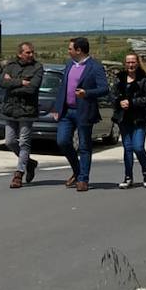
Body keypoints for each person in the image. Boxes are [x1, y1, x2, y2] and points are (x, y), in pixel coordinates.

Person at [49, 37, 110, 193]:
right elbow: (63, 87)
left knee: (84, 146)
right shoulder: (69, 65)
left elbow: (104, 89)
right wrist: (57, 107)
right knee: (62, 141)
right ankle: (77, 171)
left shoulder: (95, 67)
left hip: (84, 111)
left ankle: (83, 179)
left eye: (70, 49)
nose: (68, 51)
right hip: (67, 111)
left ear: (79, 50)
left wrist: (87, 93)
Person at [0, 41, 44, 189]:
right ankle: (29, 162)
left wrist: (12, 84)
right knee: (9, 141)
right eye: (28, 52)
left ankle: (19, 174)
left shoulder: (37, 67)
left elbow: (32, 89)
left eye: (32, 52)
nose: (31, 55)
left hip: (27, 110)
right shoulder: (11, 65)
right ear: (20, 54)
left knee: (24, 142)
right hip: (10, 109)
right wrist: (21, 82)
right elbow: (2, 83)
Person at [112, 52, 146, 188]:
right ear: (125, 64)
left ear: (137, 63)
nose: (131, 65)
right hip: (124, 118)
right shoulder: (119, 78)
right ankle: (128, 177)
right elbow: (112, 95)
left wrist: (132, 102)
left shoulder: (145, 79)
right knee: (128, 148)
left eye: (133, 62)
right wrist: (119, 102)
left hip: (140, 118)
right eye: (128, 62)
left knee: (138, 146)